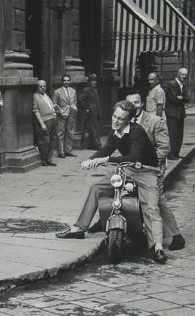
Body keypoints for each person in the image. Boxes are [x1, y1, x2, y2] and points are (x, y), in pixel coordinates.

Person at [56, 100, 168, 263]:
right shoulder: (115, 133)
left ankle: (157, 247)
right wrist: (91, 160)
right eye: (114, 116)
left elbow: (134, 156)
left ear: (128, 120)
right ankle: (78, 228)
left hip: (147, 171)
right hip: (127, 169)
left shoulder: (137, 131)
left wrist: (105, 160)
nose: (115, 120)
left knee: (151, 206)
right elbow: (106, 149)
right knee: (96, 188)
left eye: (120, 119)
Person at [126, 91, 185, 251]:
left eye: (137, 102)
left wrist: (147, 163)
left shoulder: (155, 121)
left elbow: (164, 148)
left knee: (156, 199)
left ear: (142, 104)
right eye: (130, 103)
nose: (134, 106)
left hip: (152, 168)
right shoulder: (126, 120)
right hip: (134, 168)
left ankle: (175, 236)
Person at [165, 68, 190, 160]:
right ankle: (171, 154)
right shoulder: (172, 84)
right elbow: (174, 99)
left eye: (185, 75)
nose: (184, 76)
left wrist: (181, 98)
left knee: (180, 134)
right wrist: (183, 98)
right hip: (172, 113)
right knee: (173, 134)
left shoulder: (183, 85)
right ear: (178, 74)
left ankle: (176, 153)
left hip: (180, 113)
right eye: (183, 74)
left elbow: (188, 98)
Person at [32, 80, 58, 167]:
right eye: (41, 86)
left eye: (44, 86)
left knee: (53, 140)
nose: (43, 88)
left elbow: (49, 105)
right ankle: (43, 159)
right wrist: (42, 123)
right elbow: (35, 111)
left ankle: (49, 159)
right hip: (44, 121)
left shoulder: (46, 95)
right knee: (44, 141)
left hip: (52, 119)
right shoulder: (35, 96)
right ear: (37, 87)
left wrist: (54, 108)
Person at [53, 74, 78, 158]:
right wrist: (58, 111)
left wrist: (74, 108)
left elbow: (75, 101)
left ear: (69, 81)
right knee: (60, 133)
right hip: (62, 114)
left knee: (70, 132)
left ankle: (68, 150)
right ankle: (61, 152)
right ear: (62, 81)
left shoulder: (73, 91)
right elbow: (54, 104)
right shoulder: (57, 91)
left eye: (67, 80)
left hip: (71, 113)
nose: (66, 82)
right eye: (64, 80)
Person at [78, 74, 102, 150]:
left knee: (92, 129)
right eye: (92, 81)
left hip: (96, 111)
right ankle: (98, 145)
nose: (94, 82)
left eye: (95, 81)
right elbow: (80, 99)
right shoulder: (87, 90)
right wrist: (87, 108)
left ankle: (90, 145)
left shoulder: (95, 90)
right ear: (89, 82)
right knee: (95, 128)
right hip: (91, 112)